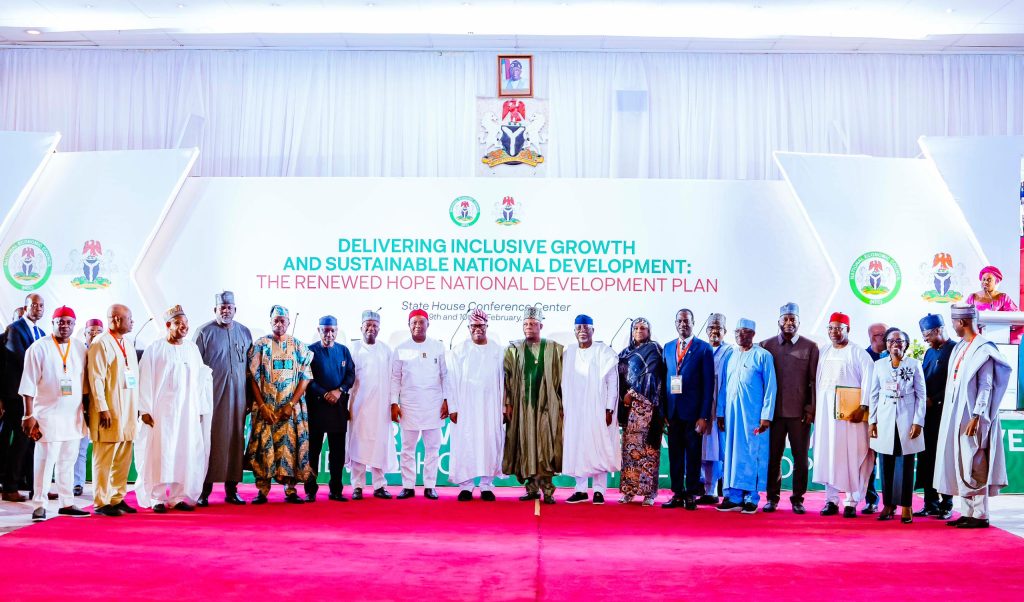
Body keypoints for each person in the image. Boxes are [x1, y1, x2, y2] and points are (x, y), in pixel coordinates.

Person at [935, 304, 1012, 529]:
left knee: (975, 461)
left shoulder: (983, 349)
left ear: (962, 322)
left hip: (973, 415)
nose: (953, 326)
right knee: (960, 461)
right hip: (956, 414)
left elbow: (986, 386)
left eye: (954, 322)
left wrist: (977, 415)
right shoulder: (961, 347)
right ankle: (967, 512)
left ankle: (981, 514)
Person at [135, 305, 213, 513]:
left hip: (187, 412)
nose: (184, 327)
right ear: (168, 325)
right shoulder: (155, 349)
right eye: (178, 323)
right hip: (161, 413)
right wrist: (145, 410)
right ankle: (157, 498)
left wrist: (199, 409)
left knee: (184, 453)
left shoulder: (192, 349)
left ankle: (178, 497)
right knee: (161, 453)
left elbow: (200, 380)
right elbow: (145, 379)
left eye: (186, 323)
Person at [19, 306, 89, 521]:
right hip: (47, 416)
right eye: (60, 322)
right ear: (53, 323)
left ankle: (66, 502)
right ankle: (39, 504)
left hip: (73, 416)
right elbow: (28, 384)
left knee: (68, 461)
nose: (64, 326)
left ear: (74, 325)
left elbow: (85, 384)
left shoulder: (80, 348)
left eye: (69, 322)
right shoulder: (38, 348)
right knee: (45, 461)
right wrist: (28, 415)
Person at [245, 305, 313, 504]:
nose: (279, 323)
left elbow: (306, 378)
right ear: (270, 321)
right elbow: (252, 378)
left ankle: (290, 490)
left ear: (289, 322)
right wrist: (262, 406)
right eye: (276, 320)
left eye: (283, 320)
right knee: (264, 447)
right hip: (266, 409)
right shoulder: (260, 345)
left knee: (290, 447)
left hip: (290, 410)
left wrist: (291, 404)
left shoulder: (299, 347)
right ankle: (262, 490)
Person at [194, 291, 253, 506]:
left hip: (238, 399)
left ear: (235, 309)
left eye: (229, 307)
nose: (226, 311)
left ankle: (232, 490)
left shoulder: (245, 332)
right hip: (212, 399)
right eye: (222, 308)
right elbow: (194, 368)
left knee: (236, 441)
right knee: (209, 440)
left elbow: (250, 370)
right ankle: (203, 491)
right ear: (215, 310)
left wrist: (249, 398)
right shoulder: (204, 332)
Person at [813, 312, 874, 518]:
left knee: (852, 456)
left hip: (851, 417)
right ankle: (830, 501)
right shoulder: (823, 352)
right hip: (826, 416)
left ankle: (851, 501)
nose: (834, 332)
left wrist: (863, 407)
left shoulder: (858, 353)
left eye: (839, 328)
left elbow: (869, 381)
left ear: (848, 330)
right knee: (828, 455)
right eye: (831, 328)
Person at [760, 302, 818, 514]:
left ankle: (797, 499)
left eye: (793, 319)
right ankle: (772, 498)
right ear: (778, 321)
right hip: (773, 414)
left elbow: (813, 380)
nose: (789, 322)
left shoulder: (810, 347)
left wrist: (810, 409)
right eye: (785, 318)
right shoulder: (766, 345)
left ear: (799, 322)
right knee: (773, 458)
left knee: (800, 459)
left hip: (799, 414)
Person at [503, 306, 564, 505]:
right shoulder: (513, 349)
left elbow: (563, 380)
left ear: (541, 326)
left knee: (545, 446)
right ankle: (531, 489)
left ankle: (548, 490)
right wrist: (508, 404)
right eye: (526, 324)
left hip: (548, 405)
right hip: (522, 407)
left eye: (533, 324)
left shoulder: (554, 349)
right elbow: (507, 380)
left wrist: (561, 405)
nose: (529, 327)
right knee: (525, 444)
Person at [716, 319, 777, 514]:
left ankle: (751, 498)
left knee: (751, 454)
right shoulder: (731, 356)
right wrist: (720, 412)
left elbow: (771, 387)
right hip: (731, 415)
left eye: (745, 332)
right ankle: (734, 497)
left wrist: (766, 416)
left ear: (753, 334)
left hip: (753, 416)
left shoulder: (763, 356)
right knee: (732, 455)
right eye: (737, 332)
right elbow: (724, 387)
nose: (740, 335)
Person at [868, 327, 926, 524]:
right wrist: (872, 421)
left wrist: (918, 421)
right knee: (886, 463)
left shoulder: (914, 364)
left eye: (899, 341)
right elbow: (873, 394)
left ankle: (907, 505)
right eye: (891, 341)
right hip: (885, 419)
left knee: (906, 463)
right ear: (886, 344)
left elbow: (921, 395)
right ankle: (888, 504)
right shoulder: (879, 365)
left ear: (906, 344)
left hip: (907, 418)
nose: (895, 344)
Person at [86, 304, 139, 517]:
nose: (132, 322)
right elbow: (96, 378)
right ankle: (101, 501)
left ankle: (117, 497)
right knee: (104, 456)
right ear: (116, 319)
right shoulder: (101, 343)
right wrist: (103, 408)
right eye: (129, 318)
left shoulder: (127, 342)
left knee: (123, 455)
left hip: (128, 408)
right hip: (109, 410)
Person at [447, 309, 505, 502]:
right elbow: (450, 380)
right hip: (466, 406)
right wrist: (453, 407)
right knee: (466, 444)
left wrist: (504, 407)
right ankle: (467, 486)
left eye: (481, 325)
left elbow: (505, 381)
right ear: (468, 328)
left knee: (489, 443)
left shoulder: (497, 350)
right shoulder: (459, 350)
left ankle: (486, 485)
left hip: (491, 407)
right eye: (474, 326)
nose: (477, 329)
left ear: (487, 326)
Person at [562, 315, 619, 505]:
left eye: (586, 327)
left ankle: (599, 491)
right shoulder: (569, 352)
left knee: (598, 447)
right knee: (578, 446)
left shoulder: (603, 352)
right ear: (574, 331)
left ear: (593, 330)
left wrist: (609, 408)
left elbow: (612, 382)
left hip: (598, 408)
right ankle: (580, 490)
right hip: (575, 410)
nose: (582, 331)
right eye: (579, 328)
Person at [391, 309, 449, 500]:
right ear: (408, 325)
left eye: (421, 322)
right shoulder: (400, 348)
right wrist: (394, 402)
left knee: (432, 449)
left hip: (433, 404)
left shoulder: (438, 347)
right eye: (414, 322)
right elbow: (395, 378)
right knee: (407, 449)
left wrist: (447, 400)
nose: (417, 326)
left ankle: (430, 486)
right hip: (409, 405)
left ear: (428, 324)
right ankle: (408, 486)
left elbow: (445, 376)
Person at [661, 309, 714, 510]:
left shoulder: (704, 348)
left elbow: (708, 385)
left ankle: (691, 493)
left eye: (687, 321)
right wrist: (664, 411)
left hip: (694, 414)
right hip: (673, 412)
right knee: (675, 455)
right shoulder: (668, 347)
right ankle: (677, 493)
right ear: (675, 323)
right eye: (680, 321)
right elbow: (663, 381)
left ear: (693, 323)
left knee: (693, 454)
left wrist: (704, 416)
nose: (683, 324)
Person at [304, 315, 355, 502]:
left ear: (337, 331)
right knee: (313, 452)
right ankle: (310, 491)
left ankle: (336, 490)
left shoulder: (343, 350)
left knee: (337, 452)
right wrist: (324, 393)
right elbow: (307, 377)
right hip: (316, 408)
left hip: (338, 408)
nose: (329, 334)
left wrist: (339, 391)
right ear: (319, 330)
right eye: (326, 330)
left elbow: (350, 374)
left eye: (333, 330)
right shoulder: (310, 351)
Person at [1, 293, 46, 502]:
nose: (38, 308)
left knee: (32, 443)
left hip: (36, 395)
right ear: (26, 307)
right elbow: (20, 358)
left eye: (41, 305)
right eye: (34, 305)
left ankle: (35, 487)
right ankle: (9, 486)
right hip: (17, 395)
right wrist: (44, 370)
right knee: (20, 441)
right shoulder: (15, 329)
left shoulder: (41, 332)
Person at [348, 310, 397, 500]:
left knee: (379, 445)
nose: (371, 328)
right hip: (358, 407)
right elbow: (348, 379)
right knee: (358, 445)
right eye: (367, 325)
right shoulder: (353, 349)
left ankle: (379, 486)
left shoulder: (386, 350)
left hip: (380, 408)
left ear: (379, 329)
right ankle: (357, 486)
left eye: (374, 325)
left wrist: (393, 403)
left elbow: (393, 379)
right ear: (360, 327)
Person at [616, 317, 664, 506]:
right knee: (630, 451)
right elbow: (619, 376)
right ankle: (629, 491)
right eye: (636, 328)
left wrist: (633, 393)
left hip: (647, 407)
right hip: (629, 410)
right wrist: (623, 397)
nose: (639, 331)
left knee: (649, 450)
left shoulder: (654, 349)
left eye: (643, 328)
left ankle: (649, 493)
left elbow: (652, 374)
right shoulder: (624, 352)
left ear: (649, 331)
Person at [914, 313, 956, 519]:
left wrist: (936, 400)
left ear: (938, 330)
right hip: (926, 415)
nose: (925, 340)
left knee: (944, 459)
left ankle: (946, 503)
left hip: (945, 414)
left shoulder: (955, 350)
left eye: (927, 335)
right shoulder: (929, 352)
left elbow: (956, 382)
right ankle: (930, 503)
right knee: (926, 459)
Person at [700, 313, 732, 505]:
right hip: (701, 408)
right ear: (706, 331)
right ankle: (707, 490)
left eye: (718, 328)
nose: (715, 331)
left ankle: (723, 491)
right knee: (703, 451)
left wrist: (721, 411)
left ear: (725, 331)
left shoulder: (730, 351)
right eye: (711, 328)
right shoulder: (701, 349)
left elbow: (727, 384)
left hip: (719, 410)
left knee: (720, 451)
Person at [73, 318, 104, 497]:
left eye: (98, 332)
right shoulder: (78, 351)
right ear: (84, 334)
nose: (94, 335)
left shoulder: (106, 351)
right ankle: (77, 483)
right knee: (79, 447)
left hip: (101, 406)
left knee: (102, 448)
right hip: (80, 405)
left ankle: (103, 485)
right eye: (90, 332)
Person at [861, 321, 887, 513]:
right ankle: (871, 499)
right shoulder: (862, 356)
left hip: (890, 416)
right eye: (881, 335)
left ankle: (891, 502)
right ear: (871, 337)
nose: (885, 338)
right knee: (869, 460)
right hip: (867, 417)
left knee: (887, 461)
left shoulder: (895, 355)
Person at [966, 265, 1021, 344]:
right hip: (977, 339)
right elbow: (965, 315)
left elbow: (1015, 315)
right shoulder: (973, 297)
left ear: (996, 282)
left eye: (989, 280)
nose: (985, 282)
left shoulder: (1003, 297)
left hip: (999, 337)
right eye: (983, 279)